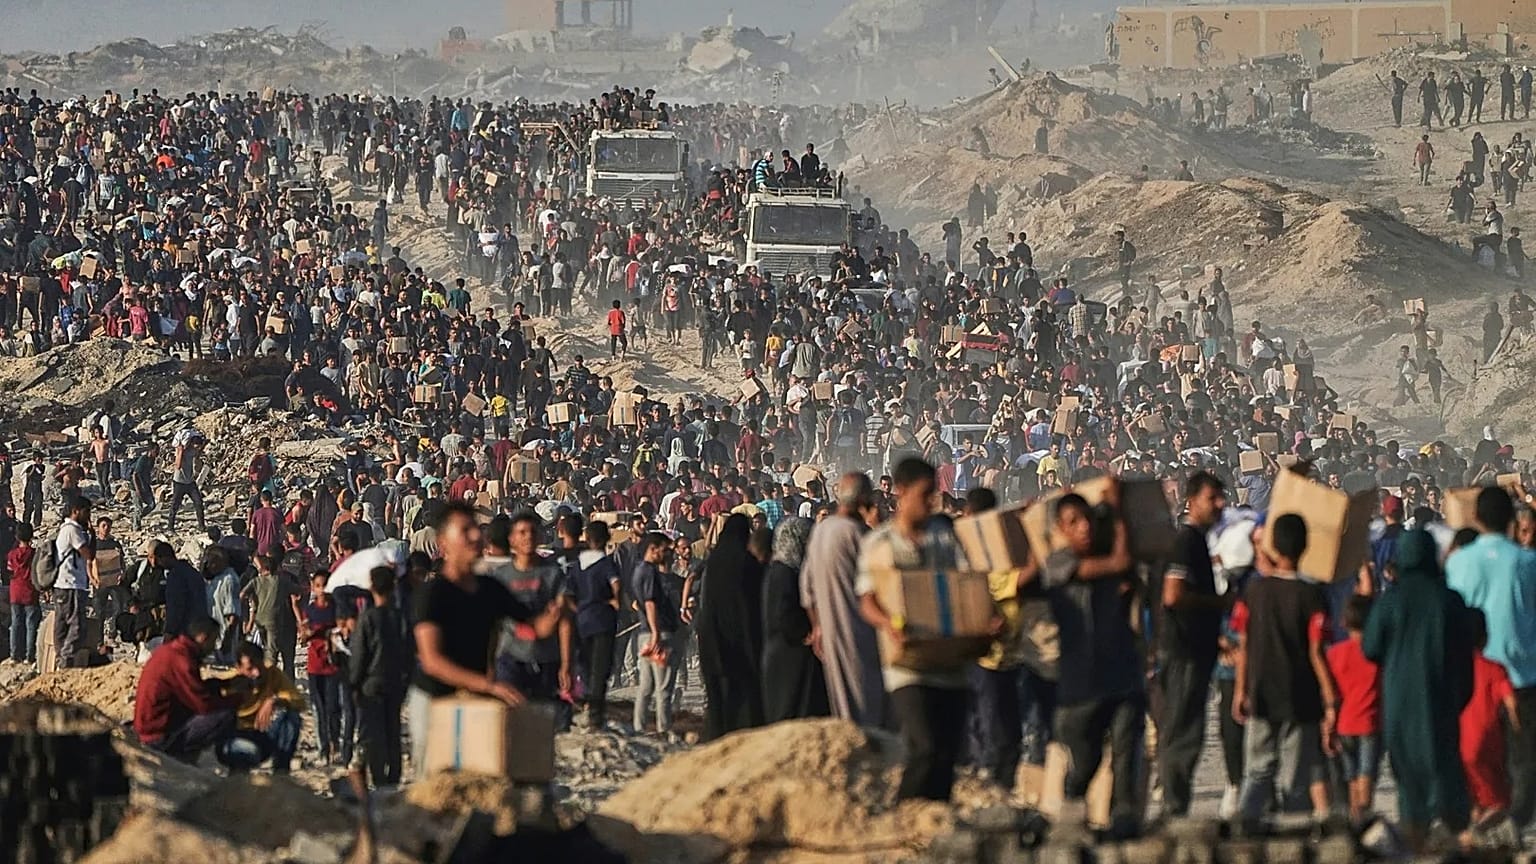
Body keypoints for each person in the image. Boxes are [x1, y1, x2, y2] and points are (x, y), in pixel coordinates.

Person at [408, 502, 563, 775]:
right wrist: (490, 685)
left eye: (476, 529)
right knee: (436, 783)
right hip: (435, 699)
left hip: (475, 699)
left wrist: (553, 618)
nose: (475, 536)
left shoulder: (491, 589)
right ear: (444, 542)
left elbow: (533, 627)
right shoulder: (432, 594)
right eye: (465, 530)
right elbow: (432, 661)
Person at [857, 458, 973, 803]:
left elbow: (965, 582)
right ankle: (904, 812)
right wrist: (889, 625)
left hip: (949, 660)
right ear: (901, 492)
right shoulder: (881, 543)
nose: (930, 501)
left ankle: (934, 819)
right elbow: (867, 600)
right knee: (924, 745)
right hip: (906, 664)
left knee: (948, 752)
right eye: (924, 494)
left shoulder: (944, 538)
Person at [1363, 529, 1477, 851]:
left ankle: (1415, 840)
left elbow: (1370, 647)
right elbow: (1466, 651)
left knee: (1407, 776)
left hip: (1399, 703)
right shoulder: (1449, 600)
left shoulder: (1391, 600)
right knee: (1446, 769)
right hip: (1443, 699)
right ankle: (1456, 836)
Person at [1039, 484, 1143, 835]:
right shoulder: (1058, 564)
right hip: (1080, 686)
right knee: (1086, 762)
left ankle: (1125, 820)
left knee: (1128, 752)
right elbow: (1120, 562)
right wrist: (1115, 509)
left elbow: (1132, 573)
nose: (1082, 526)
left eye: (1086, 518)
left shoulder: (1109, 560)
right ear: (1062, 530)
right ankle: (1070, 821)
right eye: (1073, 521)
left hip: (1121, 674)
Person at [1230, 514, 1337, 835]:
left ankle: (1243, 831)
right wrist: (1330, 700)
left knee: (1258, 770)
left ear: (1273, 546)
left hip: (1261, 691)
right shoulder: (1311, 596)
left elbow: (1243, 646)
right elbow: (1317, 653)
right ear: (1305, 547)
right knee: (1294, 777)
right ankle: (1292, 841)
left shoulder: (1254, 591)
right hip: (1299, 696)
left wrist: (1240, 690)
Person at [1446, 486, 1536, 833]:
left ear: (1477, 518)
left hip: (1474, 676)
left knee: (1476, 752)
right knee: (1524, 758)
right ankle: (1515, 820)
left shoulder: (1458, 562)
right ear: (1512, 521)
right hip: (1522, 675)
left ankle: (1482, 815)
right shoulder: (1527, 562)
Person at [1157, 471, 1228, 818]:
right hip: (1183, 650)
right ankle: (1174, 804)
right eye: (1212, 497)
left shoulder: (1197, 540)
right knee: (1182, 729)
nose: (1220, 504)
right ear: (1192, 500)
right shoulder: (1186, 541)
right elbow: (1174, 595)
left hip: (1194, 647)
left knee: (1188, 726)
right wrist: (1219, 604)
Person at [801, 472, 884, 725]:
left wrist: (817, 626)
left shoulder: (821, 531)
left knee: (844, 700)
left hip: (830, 629)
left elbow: (807, 589)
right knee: (870, 697)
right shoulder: (859, 535)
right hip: (862, 630)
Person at [486, 512, 574, 732]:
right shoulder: (501, 577)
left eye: (533, 531)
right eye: (522, 532)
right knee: (510, 723)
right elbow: (492, 626)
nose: (528, 537)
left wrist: (566, 664)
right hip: (511, 658)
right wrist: (488, 664)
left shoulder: (552, 574)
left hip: (546, 659)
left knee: (542, 727)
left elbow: (564, 621)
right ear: (512, 539)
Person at [133, 616, 242, 765]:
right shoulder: (181, 660)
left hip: (151, 727)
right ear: (203, 638)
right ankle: (230, 764)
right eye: (213, 641)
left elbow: (194, 688)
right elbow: (203, 705)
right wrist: (238, 699)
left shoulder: (172, 650)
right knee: (226, 715)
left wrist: (224, 684)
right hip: (157, 736)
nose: (213, 647)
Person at [696, 513, 766, 740]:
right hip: (743, 637)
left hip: (713, 635)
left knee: (718, 694)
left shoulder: (714, 561)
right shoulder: (748, 563)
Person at [761, 517, 829, 723]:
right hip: (789, 653)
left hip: (783, 651)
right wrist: (805, 633)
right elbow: (784, 613)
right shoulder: (784, 573)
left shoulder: (782, 570)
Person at [348, 565, 411, 788]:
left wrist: (353, 684)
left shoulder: (368, 618)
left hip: (371, 683)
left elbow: (359, 655)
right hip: (395, 680)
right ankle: (394, 776)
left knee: (375, 733)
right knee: (393, 730)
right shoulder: (400, 617)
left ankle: (379, 777)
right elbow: (409, 651)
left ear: (372, 587)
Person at [1460, 609, 1519, 827]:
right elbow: (1511, 703)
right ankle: (1480, 834)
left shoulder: (1451, 668)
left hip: (1457, 746)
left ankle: (1475, 842)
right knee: (1501, 803)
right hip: (1487, 747)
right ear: (1486, 636)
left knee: (1475, 803)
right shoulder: (1494, 669)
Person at [1325, 595, 1381, 827]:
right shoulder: (1377, 653)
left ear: (1344, 623)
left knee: (1351, 775)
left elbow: (1332, 694)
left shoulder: (1335, 653)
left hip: (1344, 723)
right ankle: (1364, 813)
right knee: (1367, 771)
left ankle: (1355, 816)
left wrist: (1328, 725)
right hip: (1370, 721)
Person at [566, 519, 621, 729]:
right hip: (603, 620)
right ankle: (596, 714)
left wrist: (577, 610)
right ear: (606, 539)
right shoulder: (607, 563)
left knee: (585, 666)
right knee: (601, 667)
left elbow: (569, 593)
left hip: (582, 620)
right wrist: (616, 601)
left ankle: (587, 705)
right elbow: (616, 583)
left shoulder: (578, 565)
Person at [221, 641, 307, 773]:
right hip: (235, 737)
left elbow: (299, 701)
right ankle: (238, 775)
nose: (256, 673)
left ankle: (281, 770)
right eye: (250, 669)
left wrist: (274, 700)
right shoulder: (228, 682)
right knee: (246, 750)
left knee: (291, 716)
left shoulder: (272, 674)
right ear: (238, 667)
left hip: (261, 733)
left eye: (259, 666)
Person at [632, 531, 681, 734]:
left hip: (644, 633)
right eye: (663, 549)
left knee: (646, 687)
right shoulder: (651, 572)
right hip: (659, 633)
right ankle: (664, 729)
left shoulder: (638, 570)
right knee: (664, 687)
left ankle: (639, 727)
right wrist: (656, 633)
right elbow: (651, 603)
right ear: (653, 549)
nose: (665, 553)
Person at [51, 496, 96, 670]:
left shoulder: (65, 529)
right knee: (77, 627)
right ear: (76, 511)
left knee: (62, 626)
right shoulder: (72, 530)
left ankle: (61, 659)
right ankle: (65, 662)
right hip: (71, 585)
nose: (88, 516)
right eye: (86, 512)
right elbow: (89, 555)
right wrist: (92, 535)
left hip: (63, 584)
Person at [6, 523, 40, 665]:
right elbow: (38, 572)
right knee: (31, 624)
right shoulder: (34, 554)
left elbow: (9, 572)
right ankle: (29, 656)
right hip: (30, 592)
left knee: (15, 623)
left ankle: (14, 655)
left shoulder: (12, 554)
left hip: (15, 591)